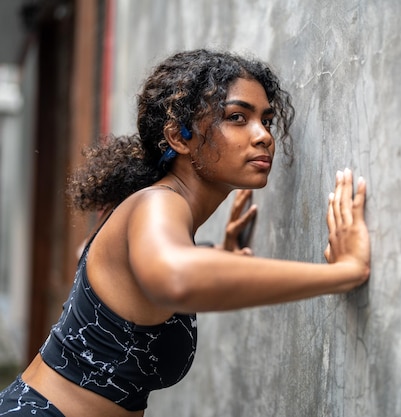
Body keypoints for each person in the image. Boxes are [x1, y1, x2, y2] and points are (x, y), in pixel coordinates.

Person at [0, 49, 370, 417]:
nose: (263, 136)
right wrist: (344, 272)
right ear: (180, 137)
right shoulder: (157, 203)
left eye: (267, 120)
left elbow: (101, 257)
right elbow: (177, 277)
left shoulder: (150, 210)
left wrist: (211, 256)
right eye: (237, 117)